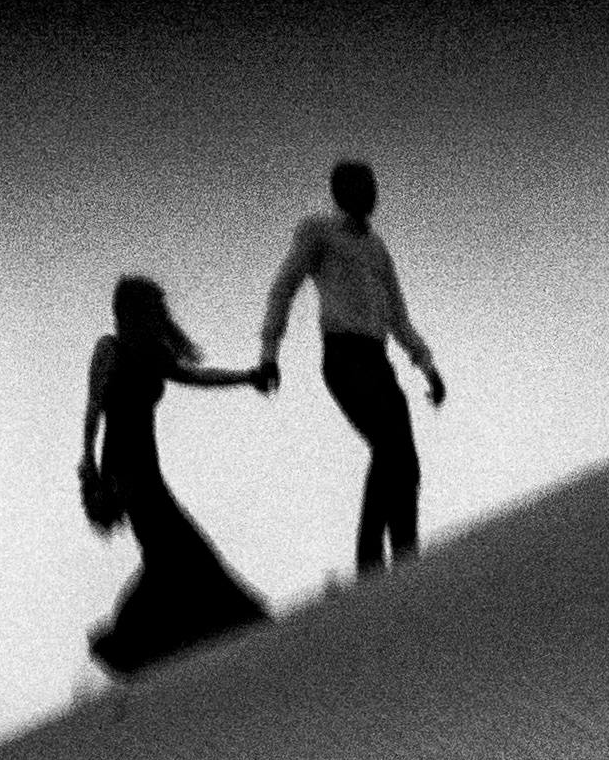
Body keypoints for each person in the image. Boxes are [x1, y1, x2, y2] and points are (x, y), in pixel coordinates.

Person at [253, 159, 446, 579]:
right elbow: (284, 286)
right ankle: (372, 565)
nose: (370, 193)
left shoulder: (378, 250)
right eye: (360, 186)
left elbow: (397, 315)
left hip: (378, 360)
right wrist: (270, 352)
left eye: (372, 185)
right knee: (391, 446)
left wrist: (427, 366)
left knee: (403, 460)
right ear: (340, 193)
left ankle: (405, 558)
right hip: (343, 357)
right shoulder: (319, 232)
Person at [81, 274, 271, 679]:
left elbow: (196, 377)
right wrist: (91, 470)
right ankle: (133, 642)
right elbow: (94, 407)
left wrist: (246, 377)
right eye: (147, 309)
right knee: (176, 548)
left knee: (169, 554)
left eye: (155, 310)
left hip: (148, 469)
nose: (155, 316)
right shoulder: (109, 350)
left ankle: (131, 642)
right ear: (126, 312)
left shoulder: (152, 354)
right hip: (124, 473)